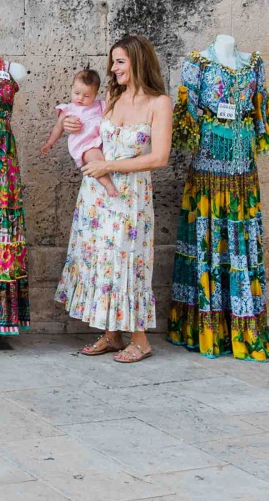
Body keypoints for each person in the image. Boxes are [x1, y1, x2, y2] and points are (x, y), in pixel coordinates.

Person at [55, 34, 173, 364]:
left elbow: (159, 157)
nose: (113, 67)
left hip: (130, 195)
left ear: (138, 61)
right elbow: (89, 130)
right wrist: (68, 124)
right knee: (100, 260)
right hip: (96, 193)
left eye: (120, 61)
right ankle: (111, 333)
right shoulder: (112, 94)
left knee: (127, 261)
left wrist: (109, 165)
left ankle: (140, 340)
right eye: (113, 61)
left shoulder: (159, 103)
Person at [41, 68, 116, 197]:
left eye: (86, 96)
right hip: (85, 144)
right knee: (96, 161)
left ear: (95, 94)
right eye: (76, 93)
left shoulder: (100, 105)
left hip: (102, 141)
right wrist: (49, 142)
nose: (80, 98)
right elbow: (58, 127)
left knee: (107, 158)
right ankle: (108, 185)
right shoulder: (69, 109)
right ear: (72, 89)